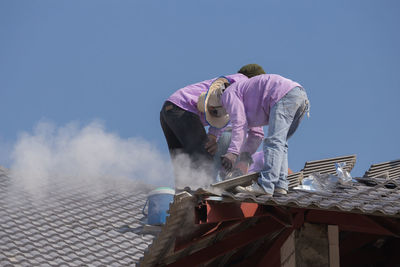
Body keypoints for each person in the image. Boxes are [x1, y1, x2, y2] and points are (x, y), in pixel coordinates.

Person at [160, 64, 265, 188]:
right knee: (203, 159)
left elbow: (220, 109)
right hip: (184, 109)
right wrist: (236, 154)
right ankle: (202, 196)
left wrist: (213, 136)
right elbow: (240, 120)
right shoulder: (243, 83)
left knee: (182, 162)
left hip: (168, 111)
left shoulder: (232, 81)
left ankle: (182, 199)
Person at [204, 73, 309, 195]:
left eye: (215, 113)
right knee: (281, 144)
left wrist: (232, 153)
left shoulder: (227, 95)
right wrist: (242, 156)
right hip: (298, 96)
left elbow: (239, 123)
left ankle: (266, 186)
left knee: (274, 142)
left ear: (216, 105)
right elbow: (256, 135)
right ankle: (280, 186)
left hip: (284, 95)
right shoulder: (245, 97)